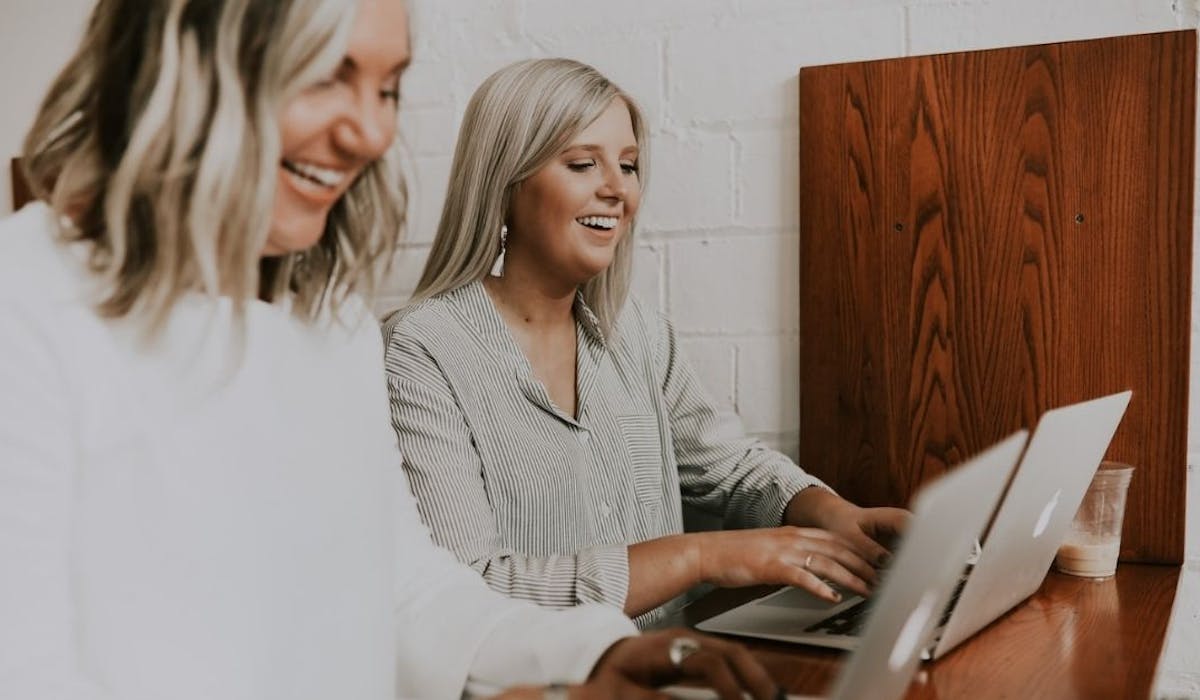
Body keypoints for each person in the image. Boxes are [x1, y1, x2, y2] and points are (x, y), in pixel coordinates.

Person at [0, 3, 780, 699]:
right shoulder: (27, 306)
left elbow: (409, 592)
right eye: (324, 77)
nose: (372, 132)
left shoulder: (330, 323)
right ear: (186, 64)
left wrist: (597, 656)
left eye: (387, 88)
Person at [383, 58, 910, 626]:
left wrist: (832, 513)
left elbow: (728, 468)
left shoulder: (636, 334)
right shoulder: (420, 351)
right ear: (505, 184)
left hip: (674, 668)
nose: (617, 190)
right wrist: (700, 557)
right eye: (583, 163)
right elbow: (470, 591)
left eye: (629, 166)